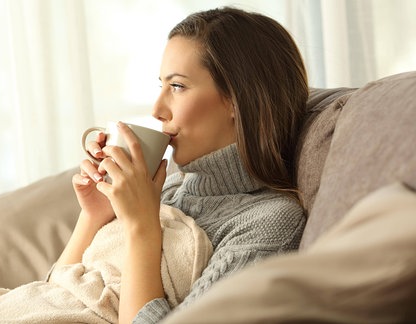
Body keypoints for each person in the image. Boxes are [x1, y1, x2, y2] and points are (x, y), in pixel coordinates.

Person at [56, 6, 308, 324]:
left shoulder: (269, 225)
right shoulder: (171, 186)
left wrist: (142, 228)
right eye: (161, 86)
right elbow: (52, 295)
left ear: (237, 99)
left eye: (177, 86)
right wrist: (95, 214)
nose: (158, 109)